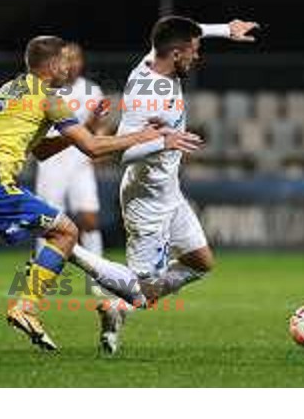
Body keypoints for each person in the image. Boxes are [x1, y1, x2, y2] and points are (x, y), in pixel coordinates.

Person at [0, 35, 202, 353]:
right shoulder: (49, 97)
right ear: (50, 65)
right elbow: (92, 148)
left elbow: (44, 150)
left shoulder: (10, 89)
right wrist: (147, 136)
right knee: (66, 232)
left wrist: (78, 130)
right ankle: (26, 307)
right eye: (64, 60)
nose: (69, 65)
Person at [97, 17, 259, 354]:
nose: (196, 57)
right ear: (175, 53)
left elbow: (176, 27)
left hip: (169, 192)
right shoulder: (147, 91)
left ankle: (119, 306)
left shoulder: (155, 57)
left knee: (201, 263)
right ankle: (82, 265)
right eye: (193, 52)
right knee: (147, 295)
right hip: (146, 203)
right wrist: (163, 142)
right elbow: (121, 151)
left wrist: (224, 30)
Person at [35, 44, 107, 293]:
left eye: (76, 58)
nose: (72, 63)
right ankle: (43, 278)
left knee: (90, 219)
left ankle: (97, 278)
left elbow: (98, 127)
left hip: (80, 161)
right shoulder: (48, 89)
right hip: (53, 160)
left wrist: (98, 139)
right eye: (67, 58)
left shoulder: (93, 90)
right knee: (48, 221)